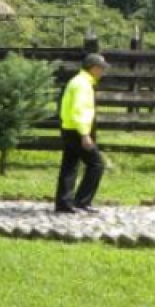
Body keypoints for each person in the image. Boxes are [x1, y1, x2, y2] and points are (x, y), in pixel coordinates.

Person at [55, 53, 109, 215]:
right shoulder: (82, 85)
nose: (102, 72)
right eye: (101, 69)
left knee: (70, 166)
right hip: (78, 131)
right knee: (97, 164)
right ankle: (81, 202)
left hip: (70, 128)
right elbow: (79, 110)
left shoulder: (78, 81)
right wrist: (85, 134)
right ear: (93, 68)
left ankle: (64, 203)